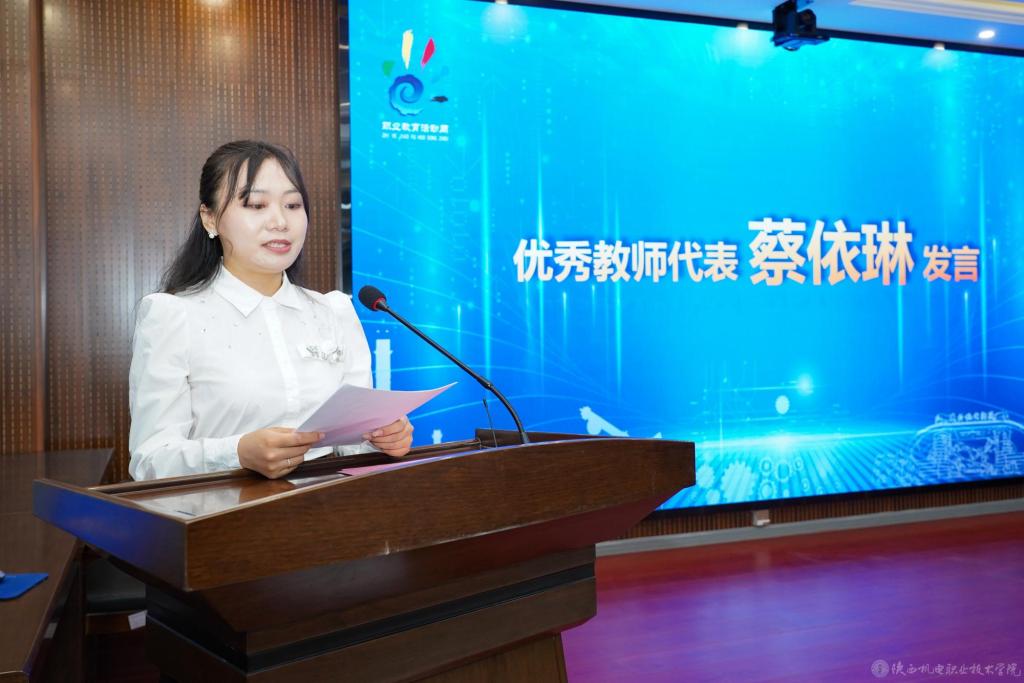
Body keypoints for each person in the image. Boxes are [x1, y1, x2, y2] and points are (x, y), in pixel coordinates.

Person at [128, 140, 413, 480]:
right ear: (210, 218)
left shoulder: (334, 311)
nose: (280, 221)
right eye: (256, 204)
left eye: (292, 205)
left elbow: (352, 448)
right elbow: (150, 461)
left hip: (333, 505)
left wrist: (381, 439)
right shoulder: (172, 315)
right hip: (226, 510)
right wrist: (237, 453)